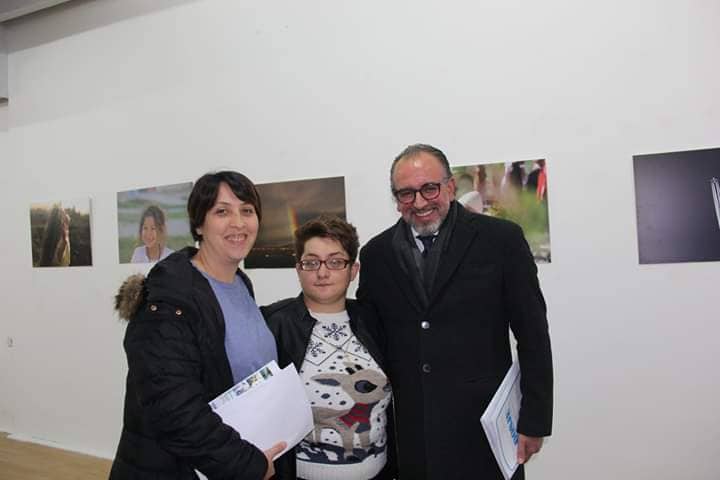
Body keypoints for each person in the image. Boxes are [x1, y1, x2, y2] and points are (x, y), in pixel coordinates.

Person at [357, 144, 553, 480]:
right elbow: (372, 343)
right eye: (406, 193)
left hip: (486, 431)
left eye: (429, 188)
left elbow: (533, 334)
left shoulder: (501, 240)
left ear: (450, 186)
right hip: (414, 435)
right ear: (396, 199)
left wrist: (534, 420)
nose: (419, 202)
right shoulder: (376, 254)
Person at [110, 171, 287, 480]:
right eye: (222, 211)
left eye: (247, 210)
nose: (238, 223)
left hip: (227, 459)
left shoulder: (240, 283)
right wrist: (248, 464)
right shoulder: (168, 298)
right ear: (199, 224)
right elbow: (175, 412)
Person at [262, 215, 395, 480]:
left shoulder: (375, 320)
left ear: (353, 270)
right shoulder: (273, 324)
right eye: (311, 262)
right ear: (298, 268)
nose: (322, 273)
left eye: (335, 262)